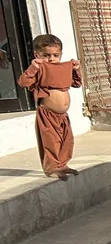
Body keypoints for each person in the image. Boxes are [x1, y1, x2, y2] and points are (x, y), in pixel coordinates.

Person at [18, 34, 81, 180]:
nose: (51, 59)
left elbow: (77, 83)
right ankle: (52, 167)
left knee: (67, 140)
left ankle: (62, 164)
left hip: (63, 115)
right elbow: (24, 82)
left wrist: (76, 69)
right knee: (51, 141)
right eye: (46, 55)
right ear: (37, 54)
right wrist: (34, 67)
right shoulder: (39, 69)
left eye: (55, 55)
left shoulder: (63, 68)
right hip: (47, 113)